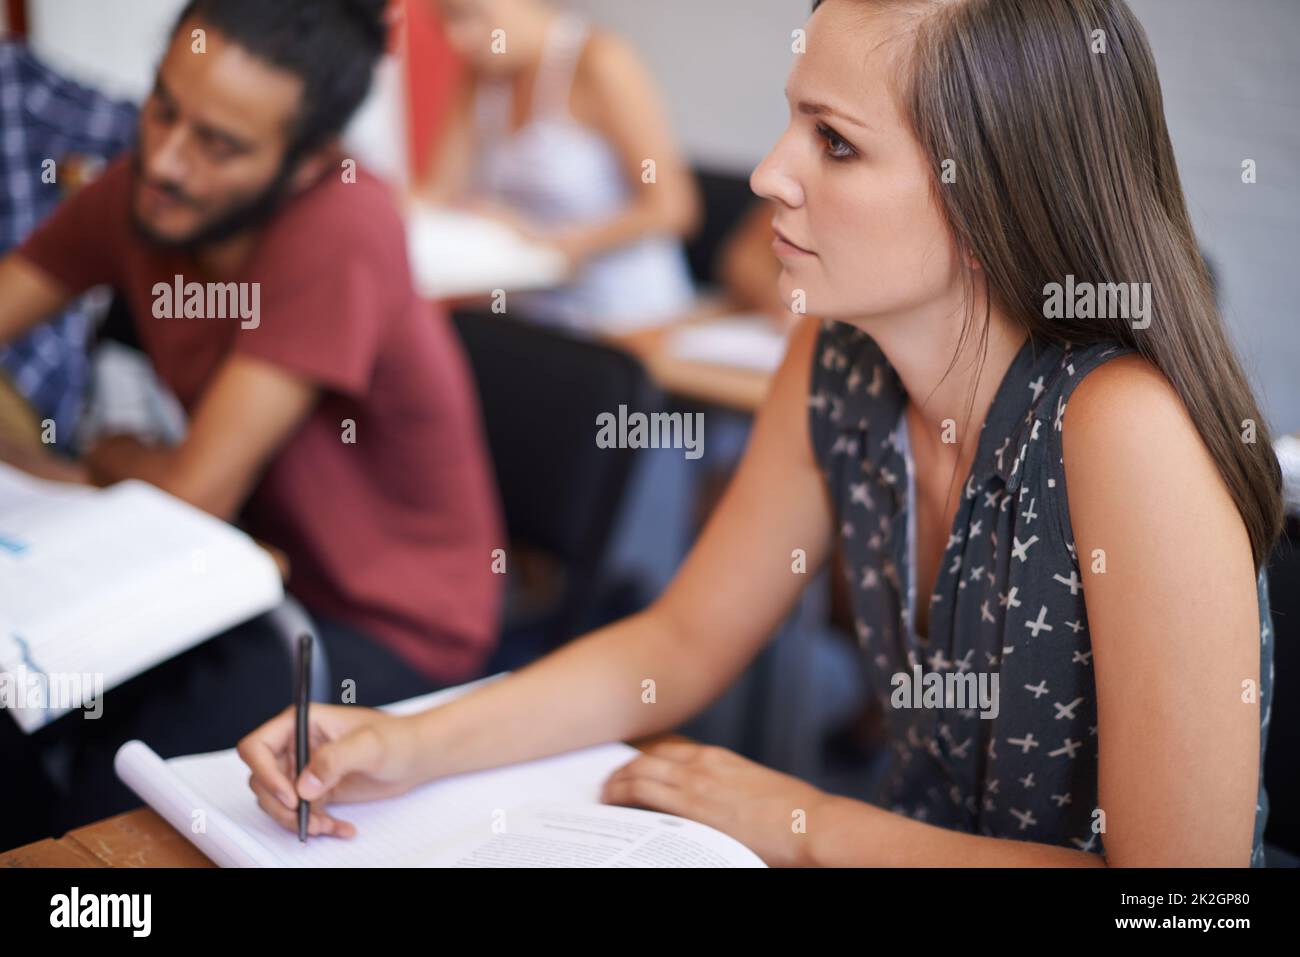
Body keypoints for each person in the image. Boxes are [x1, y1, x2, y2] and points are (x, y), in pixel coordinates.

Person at [240, 0, 1282, 867]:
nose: (767, 174)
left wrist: (806, 822)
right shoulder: (835, 359)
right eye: (796, 124)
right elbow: (681, 642)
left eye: (833, 142)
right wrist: (408, 742)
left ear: (991, 198)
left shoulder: (1124, 431)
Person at [0, 0, 503, 842]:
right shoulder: (149, 188)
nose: (165, 159)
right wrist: (109, 467)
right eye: (163, 106)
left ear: (308, 162)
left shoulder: (343, 223)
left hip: (380, 620)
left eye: (219, 145)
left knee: (122, 784)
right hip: (234, 570)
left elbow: (191, 495)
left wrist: (108, 463)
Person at [419, 0, 699, 332]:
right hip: (525, 310)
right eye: (445, 23)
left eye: (468, 17)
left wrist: (552, 242)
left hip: (621, 317)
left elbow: (673, 209)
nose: (456, 39)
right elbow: (437, 192)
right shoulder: (480, 75)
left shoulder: (601, 62)